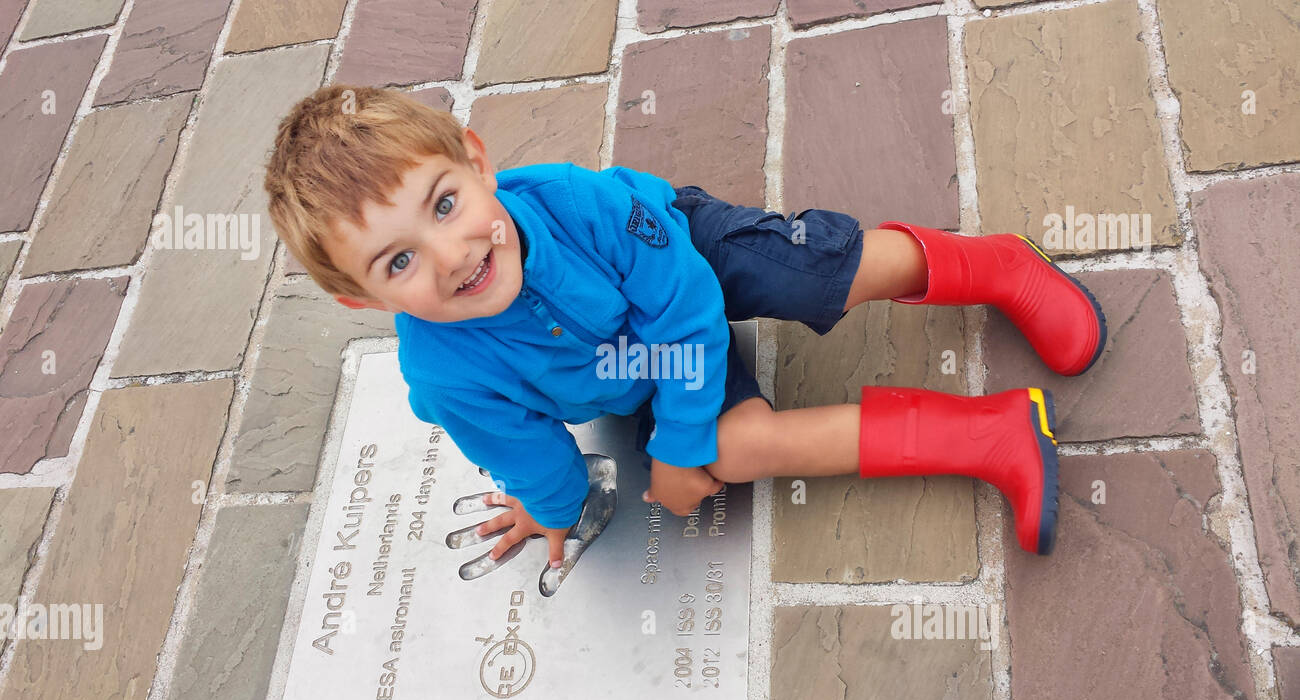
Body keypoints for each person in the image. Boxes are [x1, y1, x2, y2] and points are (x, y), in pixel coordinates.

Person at [263, 85, 1106, 568]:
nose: (449, 254)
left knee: (808, 271)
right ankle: (993, 434)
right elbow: (524, 448)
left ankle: (996, 263)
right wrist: (547, 506)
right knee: (735, 451)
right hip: (641, 371)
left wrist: (671, 447)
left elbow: (686, 311)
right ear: (363, 301)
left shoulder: (582, 204)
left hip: (683, 263)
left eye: (446, 204)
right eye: (397, 262)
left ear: (478, 161)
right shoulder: (443, 374)